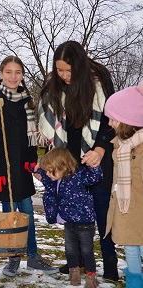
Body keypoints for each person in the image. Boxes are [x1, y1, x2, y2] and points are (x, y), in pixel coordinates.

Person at [37, 40, 119, 281]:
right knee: (73, 213)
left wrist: (101, 149)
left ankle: (110, 262)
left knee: (102, 213)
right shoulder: (54, 86)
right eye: (59, 70)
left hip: (96, 158)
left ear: (80, 66)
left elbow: (110, 118)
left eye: (69, 71)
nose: (64, 76)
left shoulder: (99, 79)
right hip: (69, 163)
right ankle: (78, 262)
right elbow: (49, 121)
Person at [0, 56, 58, 277]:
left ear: (22, 75)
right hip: (2, 166)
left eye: (18, 72)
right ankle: (13, 258)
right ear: (1, 73)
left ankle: (32, 256)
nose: (13, 77)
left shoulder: (28, 101)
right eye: (9, 72)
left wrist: (32, 161)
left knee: (27, 211)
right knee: (9, 213)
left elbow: (30, 138)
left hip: (21, 166)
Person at [32, 147, 102, 287]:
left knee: (87, 252)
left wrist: (95, 166)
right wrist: (37, 169)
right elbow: (44, 176)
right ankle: (74, 274)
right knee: (70, 251)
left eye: (50, 170)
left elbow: (95, 177)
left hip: (85, 224)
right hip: (69, 223)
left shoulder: (79, 176)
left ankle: (91, 278)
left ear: (63, 166)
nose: (47, 174)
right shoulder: (55, 180)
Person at [103, 82, 143, 288]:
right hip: (126, 208)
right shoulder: (120, 145)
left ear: (128, 120)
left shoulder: (140, 149)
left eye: (113, 118)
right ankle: (135, 282)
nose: (109, 123)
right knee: (130, 247)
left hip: (140, 209)